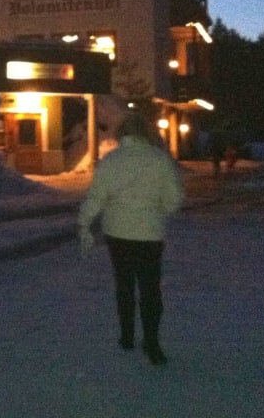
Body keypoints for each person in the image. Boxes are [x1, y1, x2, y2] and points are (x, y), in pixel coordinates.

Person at [78, 110, 185, 365]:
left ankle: (127, 336)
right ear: (148, 133)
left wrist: (84, 223)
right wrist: (159, 208)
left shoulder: (111, 160)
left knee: (124, 285)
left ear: (122, 134)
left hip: (118, 233)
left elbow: (96, 197)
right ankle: (152, 342)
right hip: (150, 234)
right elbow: (174, 200)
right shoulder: (160, 160)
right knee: (150, 289)